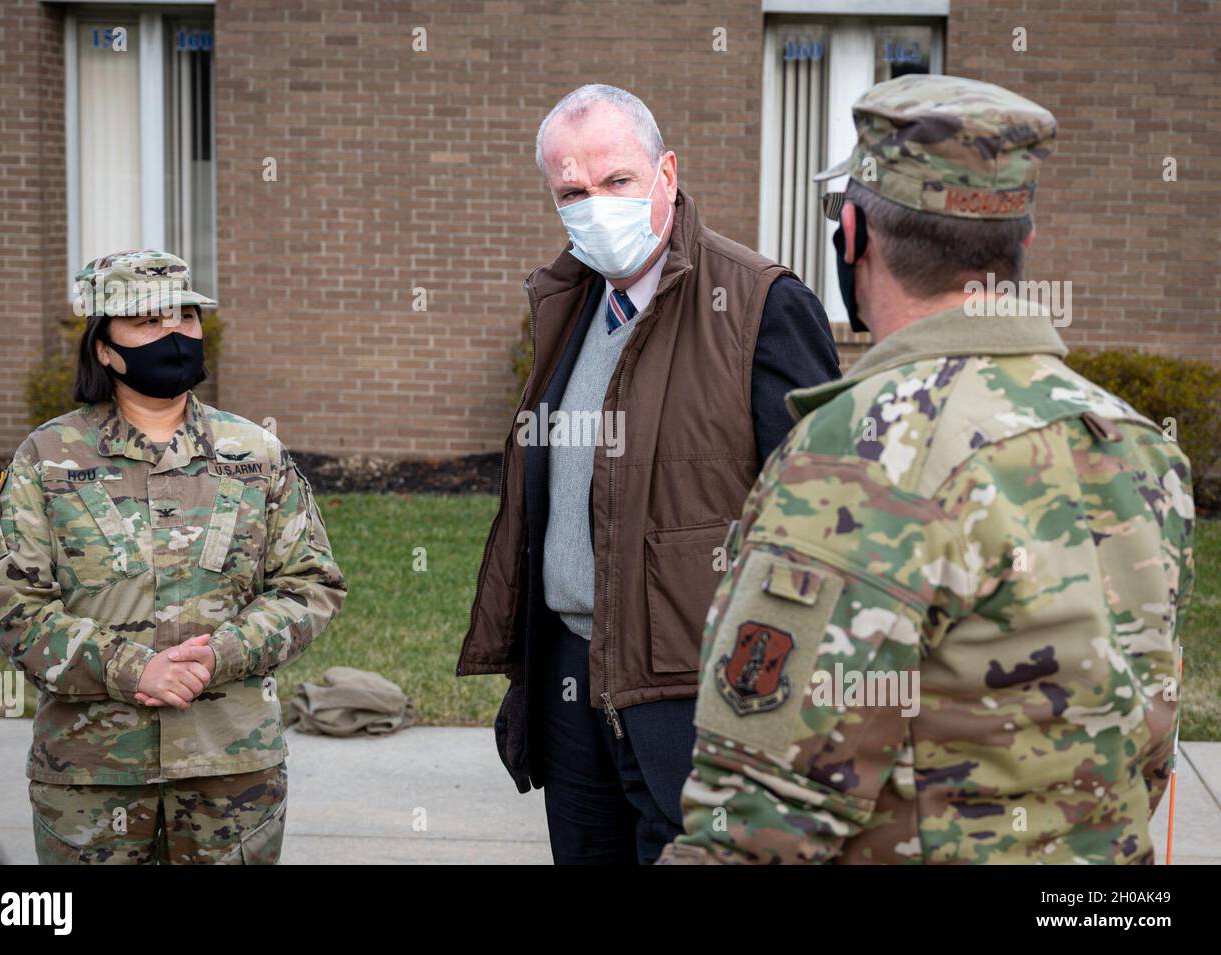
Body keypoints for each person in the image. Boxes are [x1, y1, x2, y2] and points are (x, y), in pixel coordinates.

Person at [660, 74, 1194, 864]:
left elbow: (760, 822)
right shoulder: (1139, 445)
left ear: (851, 237)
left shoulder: (858, 456)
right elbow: (1146, 746)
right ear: (1022, 247)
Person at [456, 84, 840, 864]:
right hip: (571, 674)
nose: (596, 204)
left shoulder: (761, 304)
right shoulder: (570, 304)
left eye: (617, 181)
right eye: (572, 191)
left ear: (667, 173)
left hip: (689, 693)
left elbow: (818, 531)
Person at [0, 250, 346, 864]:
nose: (173, 333)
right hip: (91, 775)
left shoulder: (255, 454)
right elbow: (13, 605)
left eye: (184, 317)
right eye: (147, 321)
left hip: (230, 768)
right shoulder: (47, 458)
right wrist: (132, 669)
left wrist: (218, 656)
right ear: (104, 346)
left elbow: (309, 586)